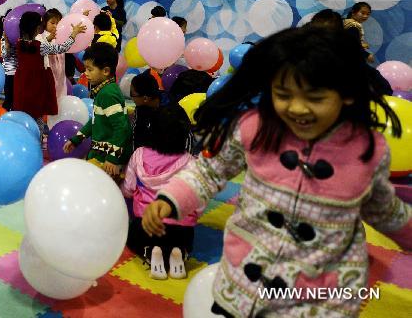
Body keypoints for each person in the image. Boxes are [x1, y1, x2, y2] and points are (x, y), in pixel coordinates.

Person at [142, 26, 412, 318]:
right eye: (283, 95)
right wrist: (171, 198)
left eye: (315, 97)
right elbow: (208, 172)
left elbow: (384, 209)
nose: (297, 108)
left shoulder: (364, 149)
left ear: (346, 95)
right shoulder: (255, 128)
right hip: (247, 281)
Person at [122, 104, 200, 280]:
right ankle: (179, 252)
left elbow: (128, 188)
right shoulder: (189, 161)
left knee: (132, 235)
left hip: (147, 223)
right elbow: (198, 200)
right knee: (185, 237)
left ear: (152, 130)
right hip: (181, 227)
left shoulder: (139, 155)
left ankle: (151, 252)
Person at [63, 43, 131, 177]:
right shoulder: (105, 90)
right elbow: (95, 120)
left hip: (106, 158)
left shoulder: (108, 94)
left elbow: (122, 128)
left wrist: (112, 158)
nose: (85, 73)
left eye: (89, 69)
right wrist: (77, 139)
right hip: (101, 153)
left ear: (105, 71)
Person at [14, 11, 84, 131]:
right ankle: (38, 137)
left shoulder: (20, 43)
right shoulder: (39, 46)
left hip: (23, 83)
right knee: (38, 114)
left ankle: (26, 134)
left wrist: (48, 38)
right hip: (36, 84)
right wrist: (74, 34)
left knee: (25, 112)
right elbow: (62, 48)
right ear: (36, 28)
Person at [129, 70, 162, 151]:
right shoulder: (141, 109)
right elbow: (136, 136)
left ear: (145, 98)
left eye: (132, 94)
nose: (131, 98)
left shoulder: (171, 111)